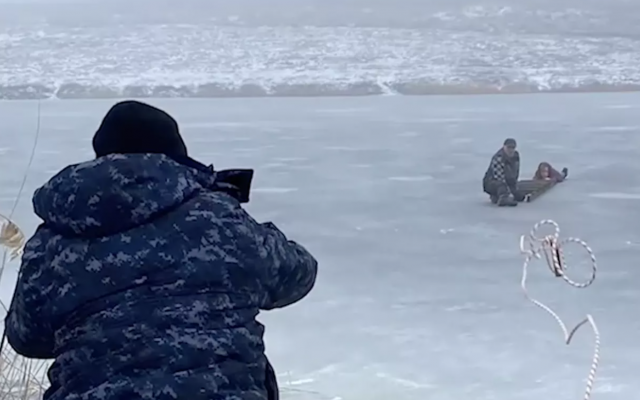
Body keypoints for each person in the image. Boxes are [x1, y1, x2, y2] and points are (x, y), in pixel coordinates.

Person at [4, 100, 318, 400]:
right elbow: (298, 273)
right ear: (176, 156)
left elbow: (26, 338)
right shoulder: (219, 218)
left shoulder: (54, 239)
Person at [482, 138, 522, 206]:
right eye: (509, 147)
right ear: (504, 147)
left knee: (519, 196)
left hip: (508, 180)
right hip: (492, 182)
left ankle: (497, 196)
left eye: (513, 147)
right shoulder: (498, 158)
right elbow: (499, 178)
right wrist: (509, 193)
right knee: (501, 186)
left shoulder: (516, 156)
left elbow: (516, 171)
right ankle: (502, 198)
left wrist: (514, 188)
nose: (511, 150)